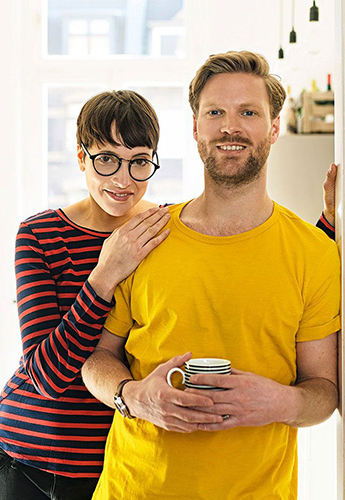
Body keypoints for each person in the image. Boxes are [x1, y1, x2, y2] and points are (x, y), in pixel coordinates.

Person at [82, 51, 341, 500]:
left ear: (274, 127)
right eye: (215, 112)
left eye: (248, 112)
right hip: (133, 490)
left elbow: (323, 389)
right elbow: (95, 360)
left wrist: (281, 401)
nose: (230, 127)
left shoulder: (315, 253)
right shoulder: (144, 238)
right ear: (196, 128)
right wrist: (134, 395)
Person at [0, 90, 172, 500]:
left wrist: (333, 226)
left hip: (118, 463)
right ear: (82, 158)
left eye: (139, 161)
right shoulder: (41, 235)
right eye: (106, 159)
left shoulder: (164, 230)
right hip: (24, 463)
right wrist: (105, 274)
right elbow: (46, 375)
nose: (123, 179)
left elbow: (248, 257)